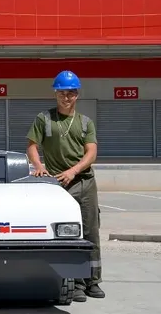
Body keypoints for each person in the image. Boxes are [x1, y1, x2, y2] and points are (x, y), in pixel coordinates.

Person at [25, 69, 104, 302]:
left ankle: (93, 281)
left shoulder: (85, 123)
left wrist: (74, 170)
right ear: (55, 94)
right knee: (67, 232)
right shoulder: (44, 119)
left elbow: (91, 152)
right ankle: (75, 283)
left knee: (90, 231)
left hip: (84, 181)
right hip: (57, 184)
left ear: (77, 95)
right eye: (61, 93)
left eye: (70, 93)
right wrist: (38, 165)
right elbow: (32, 146)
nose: (66, 97)